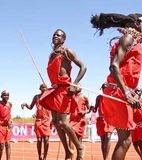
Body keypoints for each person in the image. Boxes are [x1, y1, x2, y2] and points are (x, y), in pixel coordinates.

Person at [90, 13, 142, 160]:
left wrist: (132, 92)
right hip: (118, 92)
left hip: (119, 91)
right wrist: (127, 93)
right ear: (135, 23)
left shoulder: (134, 41)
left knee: (125, 139)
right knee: (126, 140)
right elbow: (114, 67)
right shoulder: (128, 39)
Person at [39, 29, 87, 160]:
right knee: (55, 121)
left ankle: (79, 146)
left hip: (65, 90)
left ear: (63, 39)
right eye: (54, 34)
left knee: (63, 122)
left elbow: (84, 67)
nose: (55, 36)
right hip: (54, 89)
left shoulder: (67, 51)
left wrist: (74, 83)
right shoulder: (51, 55)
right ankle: (68, 150)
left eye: (58, 35)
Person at [21, 84, 51, 160]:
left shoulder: (49, 96)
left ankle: (44, 157)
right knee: (39, 140)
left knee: (46, 140)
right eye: (42, 87)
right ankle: (39, 156)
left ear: (47, 89)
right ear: (40, 88)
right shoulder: (36, 97)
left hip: (47, 121)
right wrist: (25, 104)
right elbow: (31, 107)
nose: (44, 89)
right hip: (38, 121)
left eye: (45, 87)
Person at [90, 84, 115, 160]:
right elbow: (95, 110)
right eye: (103, 88)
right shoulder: (99, 97)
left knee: (108, 137)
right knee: (103, 141)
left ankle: (107, 158)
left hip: (109, 119)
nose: (104, 89)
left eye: (105, 87)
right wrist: (92, 108)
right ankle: (105, 158)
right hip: (101, 120)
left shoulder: (113, 97)